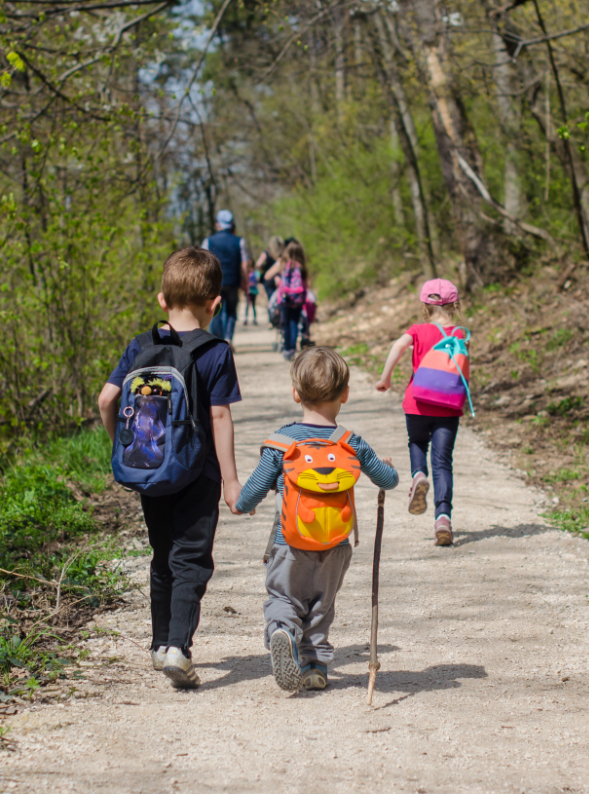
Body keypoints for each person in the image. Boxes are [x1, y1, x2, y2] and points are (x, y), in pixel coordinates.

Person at [98, 247, 244, 688]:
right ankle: (179, 649)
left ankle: (160, 644)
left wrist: (126, 448)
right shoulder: (216, 352)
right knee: (191, 560)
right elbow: (219, 416)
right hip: (198, 473)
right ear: (215, 304)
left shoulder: (140, 346)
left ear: (162, 300)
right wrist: (231, 481)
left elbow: (106, 400)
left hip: (150, 466)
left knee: (162, 556)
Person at [233, 347, 398, 691]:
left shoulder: (282, 443)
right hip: (336, 544)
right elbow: (388, 480)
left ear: (296, 394)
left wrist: (240, 503)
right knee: (322, 605)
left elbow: (254, 490)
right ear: (345, 394)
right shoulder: (351, 444)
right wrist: (389, 468)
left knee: (284, 598)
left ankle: (282, 630)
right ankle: (314, 666)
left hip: (289, 542)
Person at [373, 278, 467, 547]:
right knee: (443, 462)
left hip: (417, 403)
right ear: (455, 305)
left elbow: (397, 347)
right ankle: (443, 519)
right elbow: (462, 367)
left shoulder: (417, 330)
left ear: (425, 306)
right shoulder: (460, 334)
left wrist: (386, 378)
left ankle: (418, 475)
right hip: (448, 406)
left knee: (416, 442)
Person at [201, 209, 251, 344]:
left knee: (215, 310)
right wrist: (245, 282)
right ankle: (228, 337)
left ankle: (218, 340)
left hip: (215, 283)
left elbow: (202, 263)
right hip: (233, 281)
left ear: (217, 224)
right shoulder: (239, 241)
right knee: (231, 310)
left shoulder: (208, 241)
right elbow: (244, 264)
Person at [265, 240, 308, 361]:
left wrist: (278, 279)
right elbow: (307, 283)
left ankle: (287, 348)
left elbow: (267, 276)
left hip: (285, 298)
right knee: (294, 322)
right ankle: (292, 349)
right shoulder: (302, 266)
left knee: (286, 323)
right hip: (298, 299)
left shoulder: (283, 264)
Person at [255, 235, 285, 301]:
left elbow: (258, 264)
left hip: (269, 279)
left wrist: (263, 268)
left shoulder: (266, 253)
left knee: (272, 299)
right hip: (275, 278)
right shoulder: (281, 255)